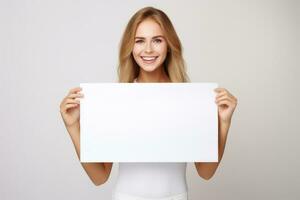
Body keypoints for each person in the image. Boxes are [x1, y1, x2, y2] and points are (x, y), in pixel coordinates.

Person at [59, 6, 237, 200]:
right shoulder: (117, 100)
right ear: (130, 47)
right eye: (139, 41)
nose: (148, 49)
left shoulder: (188, 98)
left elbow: (206, 172)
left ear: (169, 44)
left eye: (157, 40)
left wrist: (224, 123)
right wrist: (73, 126)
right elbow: (99, 177)